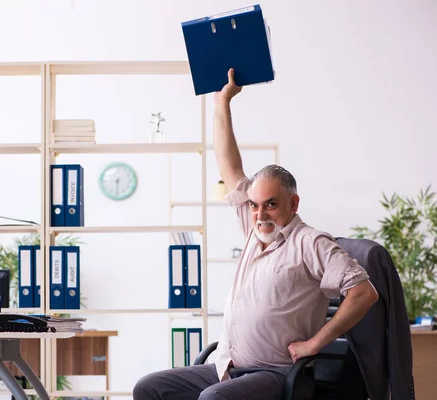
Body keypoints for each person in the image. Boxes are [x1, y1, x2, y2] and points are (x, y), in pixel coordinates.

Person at [133, 69, 379, 400]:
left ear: (293, 204)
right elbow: (228, 166)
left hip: (275, 374)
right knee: (149, 388)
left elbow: (364, 293)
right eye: (254, 205)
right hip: (227, 366)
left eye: (271, 205)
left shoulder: (311, 242)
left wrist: (316, 343)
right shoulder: (254, 229)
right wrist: (222, 101)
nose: (260, 214)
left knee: (213, 399)